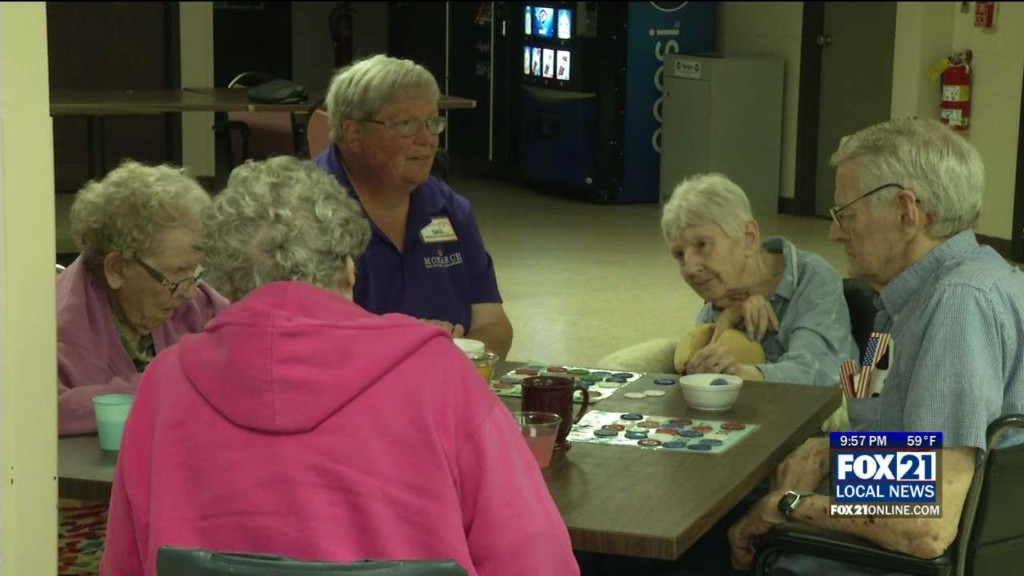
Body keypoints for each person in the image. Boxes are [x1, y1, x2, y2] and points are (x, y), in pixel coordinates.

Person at [100, 157, 578, 576]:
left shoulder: (165, 383)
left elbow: (124, 563)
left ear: (227, 283)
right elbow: (535, 556)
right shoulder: (439, 373)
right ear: (349, 267)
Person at [727, 118, 1024, 574]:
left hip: (904, 558)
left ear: (907, 211)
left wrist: (788, 506)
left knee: (712, 536)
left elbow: (926, 523)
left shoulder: (958, 304)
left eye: (846, 215)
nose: (834, 233)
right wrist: (833, 451)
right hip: (897, 516)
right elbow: (882, 425)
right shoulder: (903, 298)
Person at [314, 54, 513, 358]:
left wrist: (456, 356)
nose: (427, 139)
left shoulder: (448, 208)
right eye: (406, 124)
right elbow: (306, 344)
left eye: (432, 123)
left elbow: (494, 325)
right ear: (354, 133)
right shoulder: (304, 211)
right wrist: (414, 348)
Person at [599, 173, 859, 388]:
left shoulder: (810, 277)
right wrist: (727, 320)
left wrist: (738, 374)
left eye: (703, 245)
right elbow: (699, 371)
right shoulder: (721, 292)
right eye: (679, 255)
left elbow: (819, 375)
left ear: (748, 238)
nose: (689, 268)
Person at [57, 160, 228, 436]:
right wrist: (169, 383)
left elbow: (245, 353)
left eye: (194, 271)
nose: (190, 291)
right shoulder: (61, 325)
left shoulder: (197, 304)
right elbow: (43, 409)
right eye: (177, 273)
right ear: (117, 269)